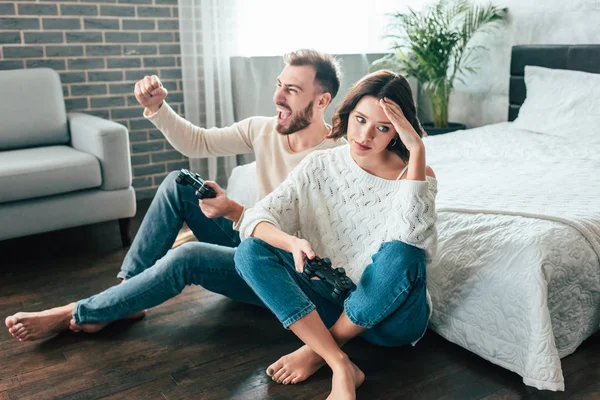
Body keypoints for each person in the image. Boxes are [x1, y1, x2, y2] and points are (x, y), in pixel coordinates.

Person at [5, 49, 345, 342]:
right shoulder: (263, 128)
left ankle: (80, 310)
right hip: (251, 240)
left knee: (188, 256)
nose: (278, 97)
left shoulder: (335, 158)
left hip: (280, 270)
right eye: (278, 85)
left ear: (321, 101)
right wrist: (158, 107)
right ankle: (126, 297)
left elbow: (314, 244)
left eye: (292, 89)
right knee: (177, 184)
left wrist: (234, 210)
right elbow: (199, 142)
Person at [234, 70, 437, 399]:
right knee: (250, 251)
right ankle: (340, 364)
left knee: (404, 252)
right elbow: (256, 217)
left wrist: (417, 151)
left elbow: (412, 242)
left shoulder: (415, 173)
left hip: (393, 320)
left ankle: (317, 351)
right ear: (348, 113)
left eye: (383, 128)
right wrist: (293, 242)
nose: (365, 135)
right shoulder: (320, 165)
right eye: (359, 120)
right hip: (332, 301)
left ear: (398, 132)